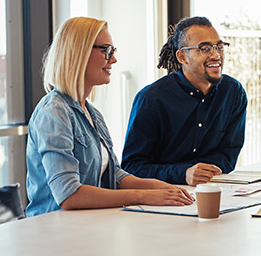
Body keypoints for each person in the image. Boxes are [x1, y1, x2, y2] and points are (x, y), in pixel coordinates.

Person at [26, 17, 194, 217]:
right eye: (107, 51)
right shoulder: (54, 112)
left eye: (113, 51)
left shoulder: (92, 113)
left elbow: (115, 175)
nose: (113, 59)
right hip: (52, 231)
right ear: (79, 53)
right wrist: (142, 195)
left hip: (86, 225)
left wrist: (157, 187)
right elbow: (69, 195)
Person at [121, 16, 247, 186]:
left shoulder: (233, 93)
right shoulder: (151, 99)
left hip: (213, 190)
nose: (216, 55)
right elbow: (132, 167)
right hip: (161, 197)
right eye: (204, 48)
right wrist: (183, 174)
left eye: (219, 47)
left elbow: (228, 155)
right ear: (182, 57)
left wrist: (202, 173)